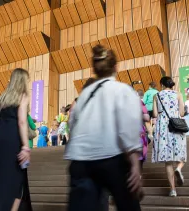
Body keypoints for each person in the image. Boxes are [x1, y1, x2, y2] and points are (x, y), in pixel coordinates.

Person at [65, 45, 142, 211]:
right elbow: (127, 129)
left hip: (80, 160)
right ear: (116, 67)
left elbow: (72, 124)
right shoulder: (122, 90)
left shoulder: (83, 95)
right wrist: (135, 164)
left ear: (95, 69)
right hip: (111, 157)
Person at [0, 68, 32, 211]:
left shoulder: (2, 98)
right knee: (16, 180)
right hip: (13, 140)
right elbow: (22, 121)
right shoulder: (23, 96)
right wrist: (25, 146)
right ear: (23, 81)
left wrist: (4, 122)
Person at [152, 76, 186, 197]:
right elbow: (182, 113)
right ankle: (179, 169)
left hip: (162, 128)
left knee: (168, 162)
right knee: (180, 153)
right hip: (176, 125)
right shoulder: (178, 94)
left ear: (161, 85)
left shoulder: (156, 96)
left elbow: (155, 114)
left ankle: (173, 190)